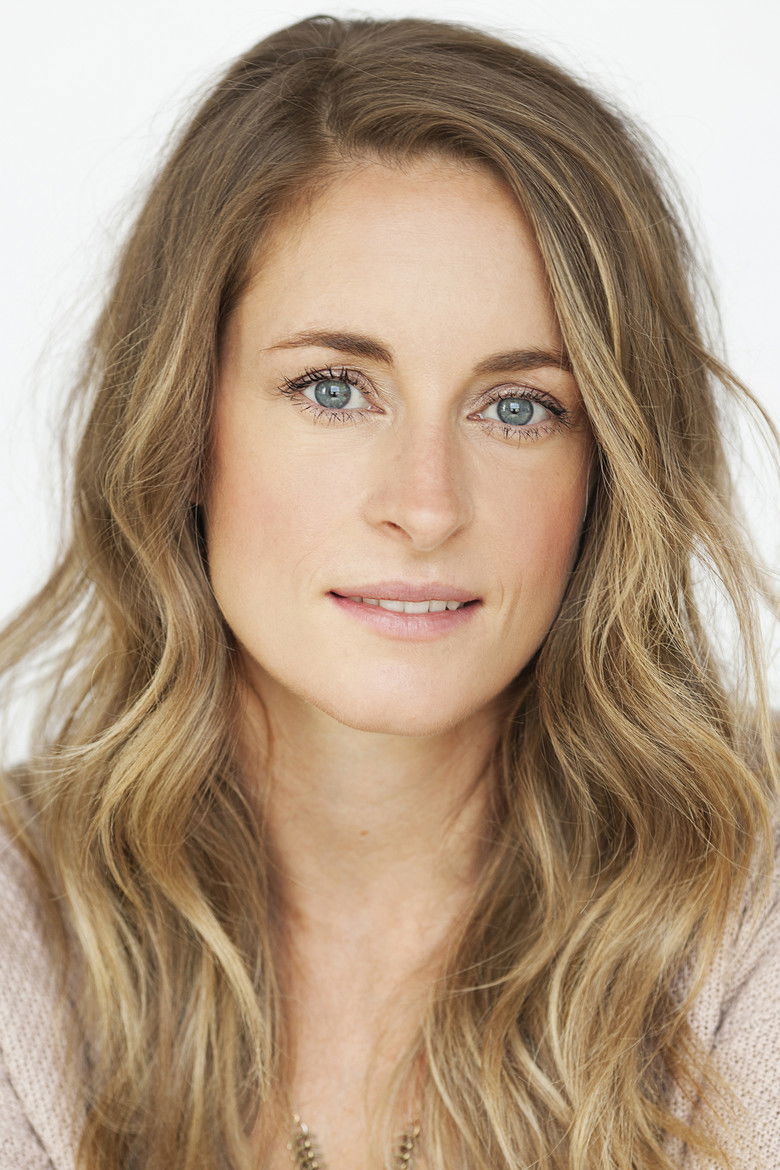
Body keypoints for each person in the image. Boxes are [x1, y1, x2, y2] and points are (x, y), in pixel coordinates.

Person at [0, 13, 778, 1170]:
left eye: (517, 407)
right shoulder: (23, 944)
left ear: (607, 468)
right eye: (333, 388)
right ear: (185, 426)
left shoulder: (747, 905)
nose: (426, 506)